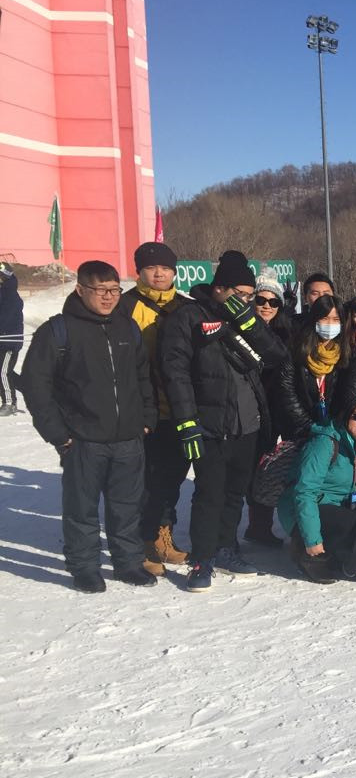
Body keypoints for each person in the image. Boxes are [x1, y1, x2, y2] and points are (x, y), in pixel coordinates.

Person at [23, 260, 157, 592]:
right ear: (80, 289)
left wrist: (146, 418)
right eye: (100, 290)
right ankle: (84, 567)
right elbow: (36, 385)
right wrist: (58, 434)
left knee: (127, 506)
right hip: (82, 440)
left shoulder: (128, 328)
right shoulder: (58, 331)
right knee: (81, 508)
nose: (109, 297)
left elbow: (143, 377)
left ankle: (128, 562)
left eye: (114, 290)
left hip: (128, 438)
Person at [161, 250, 287, 592]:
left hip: (247, 422)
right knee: (210, 492)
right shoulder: (189, 317)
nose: (245, 301)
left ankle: (226, 547)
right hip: (209, 423)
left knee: (234, 492)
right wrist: (187, 422)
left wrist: (249, 321)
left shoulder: (247, 316)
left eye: (249, 295)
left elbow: (277, 355)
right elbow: (175, 373)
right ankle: (201, 559)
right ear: (219, 288)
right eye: (239, 294)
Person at [120, 242, 193, 575]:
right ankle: (143, 541)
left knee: (173, 477)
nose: (159, 274)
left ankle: (164, 534)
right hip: (143, 410)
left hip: (179, 408)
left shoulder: (187, 307)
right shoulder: (126, 306)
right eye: (151, 268)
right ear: (140, 272)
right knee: (145, 480)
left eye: (165, 268)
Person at [279, 399, 356, 583]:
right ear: (347, 416)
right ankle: (306, 553)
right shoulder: (325, 443)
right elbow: (305, 492)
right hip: (302, 510)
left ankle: (341, 556)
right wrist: (313, 541)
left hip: (332, 507)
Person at [244, 268, 295, 545]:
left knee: (273, 467)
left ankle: (265, 523)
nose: (266, 306)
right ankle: (257, 525)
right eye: (261, 300)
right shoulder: (242, 328)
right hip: (251, 409)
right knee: (253, 466)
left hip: (278, 409)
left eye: (273, 302)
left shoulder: (285, 332)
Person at [274, 295, 348, 443]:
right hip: (299, 431)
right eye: (325, 318)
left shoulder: (343, 353)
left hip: (331, 431)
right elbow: (287, 394)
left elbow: (344, 394)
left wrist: (331, 427)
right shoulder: (295, 350)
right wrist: (310, 426)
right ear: (314, 320)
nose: (330, 324)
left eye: (336, 319)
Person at [0, 262, 23, 415]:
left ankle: (9, 404)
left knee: (3, 372)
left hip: (9, 342)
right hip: (3, 340)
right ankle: (28, 387)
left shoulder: (10, 296)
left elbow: (6, 318)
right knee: (5, 372)